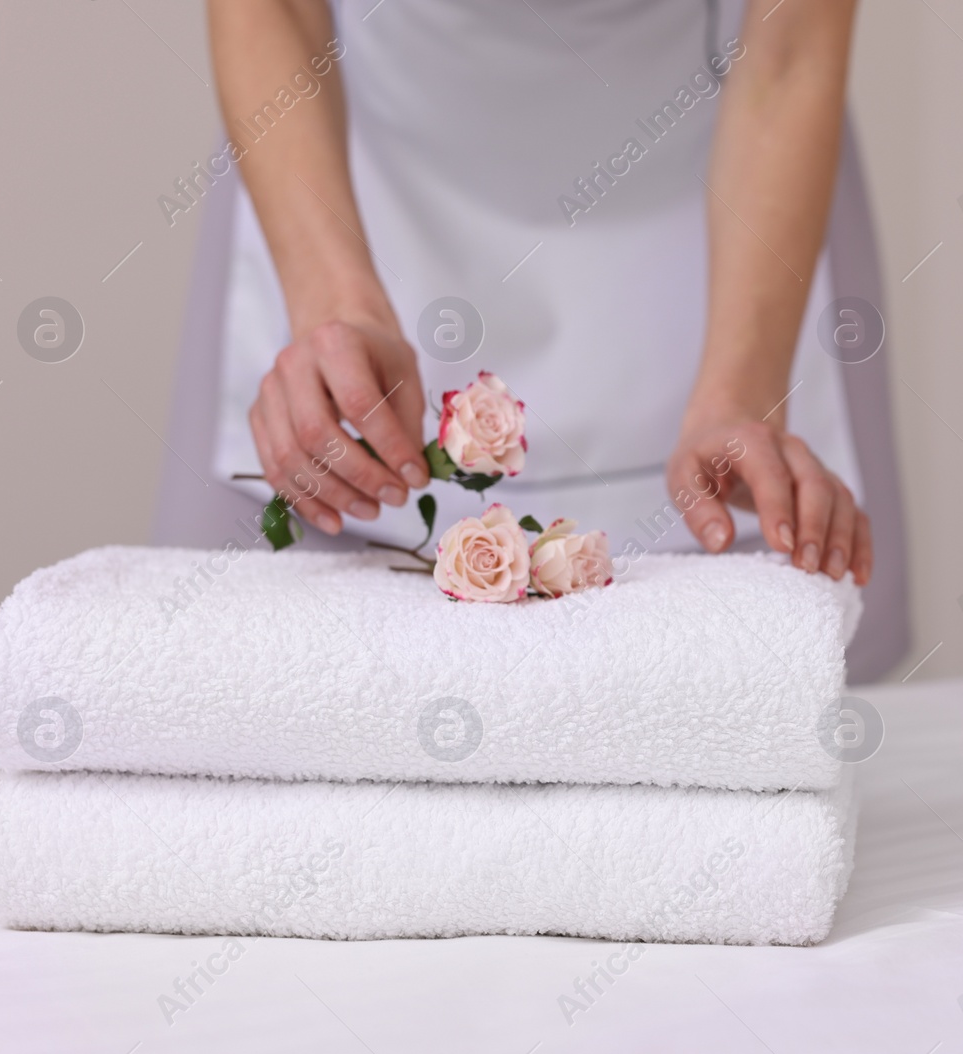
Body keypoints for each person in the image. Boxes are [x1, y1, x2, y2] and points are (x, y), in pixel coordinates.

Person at [158, 0, 908, 678]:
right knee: (255, 677)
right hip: (349, 162)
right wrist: (331, 308)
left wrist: (741, 395)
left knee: (765, 684)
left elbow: (793, 47)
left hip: (724, 176)